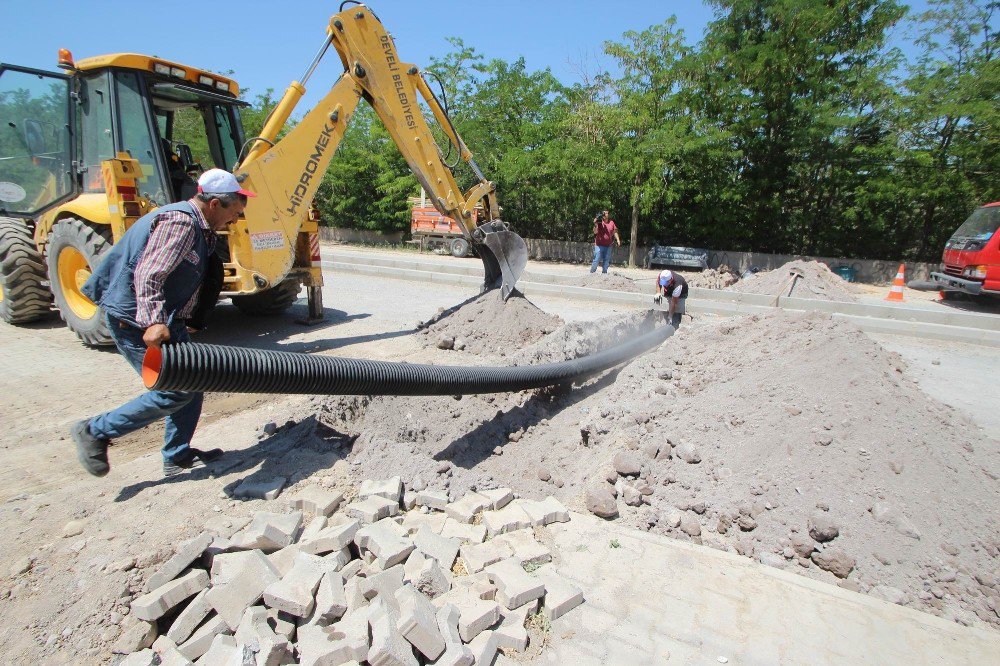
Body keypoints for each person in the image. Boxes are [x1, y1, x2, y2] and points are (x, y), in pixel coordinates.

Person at [71, 168, 254, 478]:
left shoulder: (199, 226)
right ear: (214, 204)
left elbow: (188, 274)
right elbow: (150, 274)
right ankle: (94, 431)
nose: (235, 220)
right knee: (174, 391)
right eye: (234, 212)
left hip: (169, 319)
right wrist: (154, 321)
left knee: (195, 381)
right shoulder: (180, 222)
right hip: (137, 321)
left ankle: (176, 455)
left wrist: (187, 317)